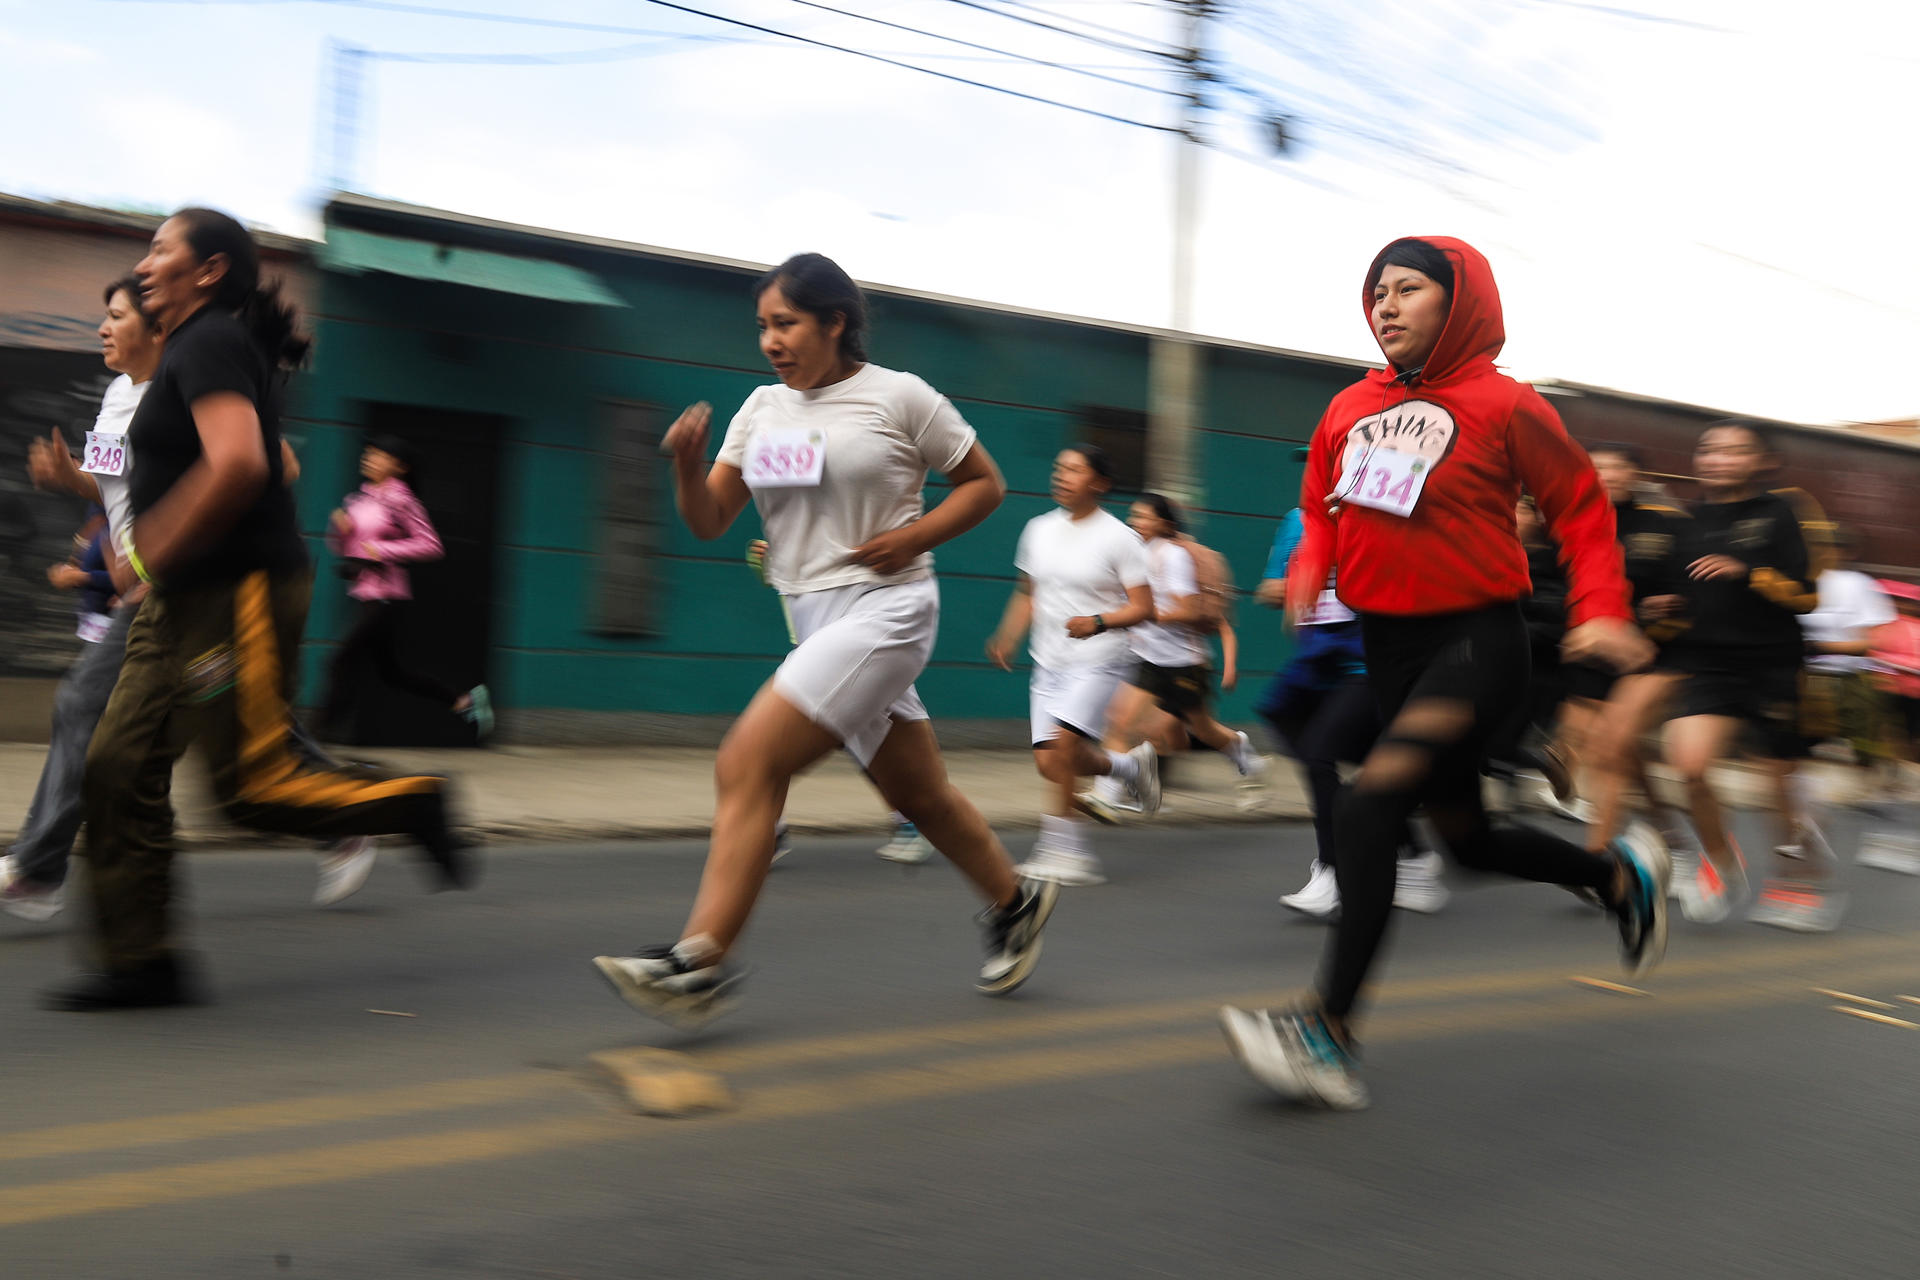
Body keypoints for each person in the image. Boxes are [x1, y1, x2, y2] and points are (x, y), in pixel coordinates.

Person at [1220, 236, 1665, 1110]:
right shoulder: (1349, 406)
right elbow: (1320, 497)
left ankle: (1327, 1034)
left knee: (1370, 804)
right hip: (1390, 647)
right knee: (1467, 840)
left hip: (1477, 640)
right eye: (1376, 291)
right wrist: (1313, 556)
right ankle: (1619, 878)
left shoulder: (1507, 405)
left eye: (1408, 289)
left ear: (1457, 302)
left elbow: (1579, 506)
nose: (1384, 305)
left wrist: (1603, 607)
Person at [592, 253, 1054, 1027]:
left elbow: (985, 484)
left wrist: (914, 538)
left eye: (786, 323)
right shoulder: (760, 409)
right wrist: (684, 465)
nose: (771, 341)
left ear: (835, 322)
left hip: (888, 609)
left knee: (748, 759)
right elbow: (709, 521)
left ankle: (698, 957)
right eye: (763, 327)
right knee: (918, 795)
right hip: (810, 618)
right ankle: (1016, 900)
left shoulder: (897, 396)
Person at [44, 208, 473, 1011]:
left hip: (234, 591)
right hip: (180, 598)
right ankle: (143, 962)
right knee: (115, 767)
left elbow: (242, 462)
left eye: (160, 248)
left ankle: (409, 800)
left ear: (207, 271)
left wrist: (152, 549)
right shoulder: (188, 350)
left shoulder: (209, 341)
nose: (144, 263)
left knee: (250, 788)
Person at [1657, 422, 1828, 929]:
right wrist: (1661, 607)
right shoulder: (1686, 519)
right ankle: (1722, 862)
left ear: (1763, 462)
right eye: (1709, 449)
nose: (1718, 459)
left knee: (1777, 784)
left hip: (1772, 661)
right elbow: (1679, 595)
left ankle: (1803, 879)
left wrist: (1747, 572)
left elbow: (1807, 595)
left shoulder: (1782, 512)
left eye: (1735, 451)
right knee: (1688, 766)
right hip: (1707, 662)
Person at [1255, 505, 1447, 919]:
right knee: (1296, 729)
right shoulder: (1296, 518)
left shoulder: (1387, 515)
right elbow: (1270, 589)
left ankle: (1334, 869)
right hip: (1314, 660)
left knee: (1321, 754)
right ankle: (1412, 854)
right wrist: (1300, 585)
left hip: (1365, 658)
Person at [988, 445, 1158, 886]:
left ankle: (1067, 853)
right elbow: (1028, 591)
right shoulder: (1038, 529)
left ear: (1099, 483)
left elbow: (1144, 607)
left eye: (1074, 470)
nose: (1061, 476)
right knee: (1053, 763)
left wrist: (1099, 622)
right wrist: (1008, 635)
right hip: (1050, 659)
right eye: (1058, 467)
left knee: (1063, 751)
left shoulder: (1120, 538)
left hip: (1101, 659)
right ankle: (1129, 769)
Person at [1084, 493, 1266, 820]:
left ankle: (1243, 753)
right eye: (1134, 514)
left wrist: (1144, 615)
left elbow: (1187, 609)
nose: (1135, 520)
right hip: (1148, 659)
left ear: (1164, 523)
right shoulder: (1138, 554)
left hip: (1183, 663)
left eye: (1144, 516)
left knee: (1204, 730)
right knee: (1120, 720)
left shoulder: (1172, 556)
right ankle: (1106, 795)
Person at [318, 434, 492, 741]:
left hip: (387, 596)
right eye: (367, 454)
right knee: (393, 674)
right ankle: (463, 701)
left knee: (341, 662)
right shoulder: (359, 500)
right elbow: (347, 548)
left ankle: (318, 737)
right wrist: (341, 532)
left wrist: (382, 551)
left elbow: (431, 545)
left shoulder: (402, 500)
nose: (368, 458)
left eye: (377, 455)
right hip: (364, 593)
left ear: (398, 466)